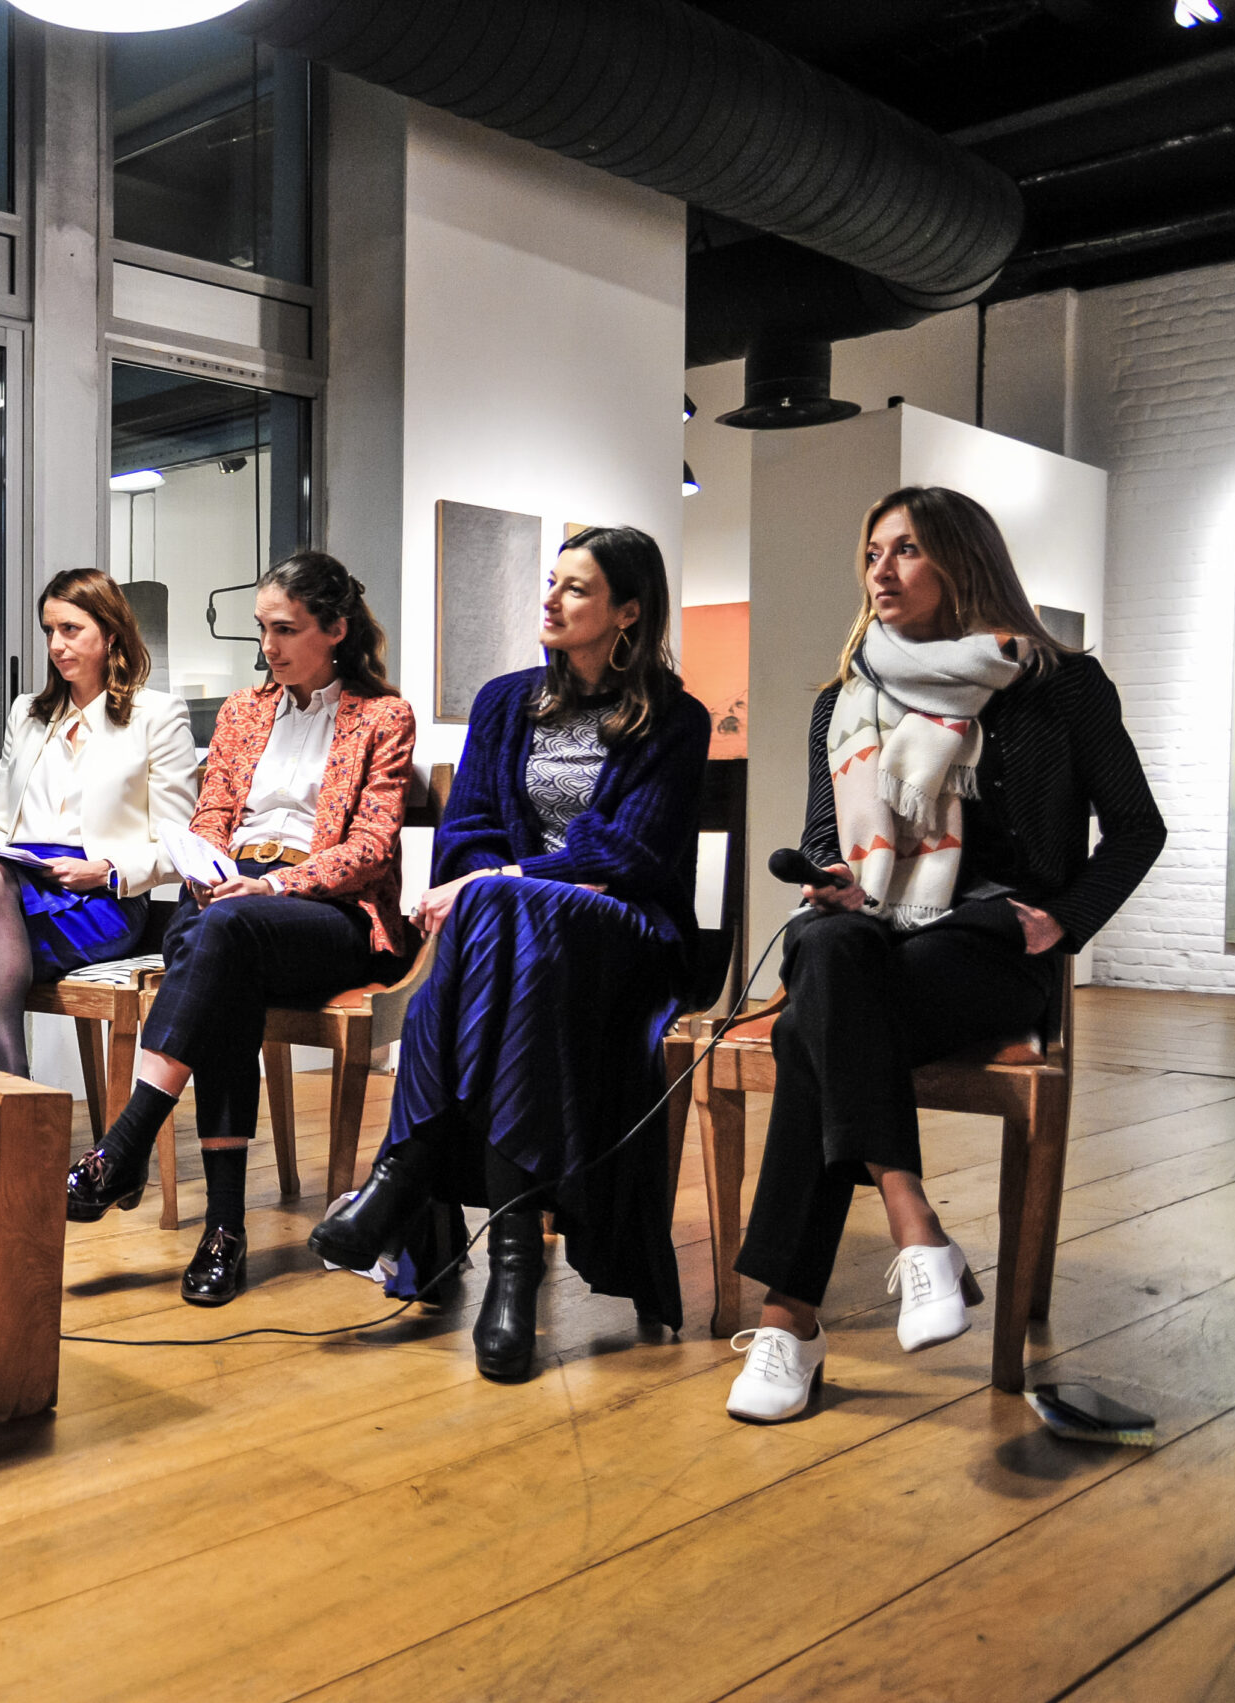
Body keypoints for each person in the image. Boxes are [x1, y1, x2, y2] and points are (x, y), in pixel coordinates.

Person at [723, 487, 1163, 1423]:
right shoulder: (846, 702)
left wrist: (1066, 920)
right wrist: (835, 877)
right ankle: (915, 1224)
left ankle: (789, 1318)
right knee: (831, 949)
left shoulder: (1061, 687)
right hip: (877, 936)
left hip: (993, 941)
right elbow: (824, 838)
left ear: (962, 562)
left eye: (908, 550)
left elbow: (1135, 828)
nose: (880, 570)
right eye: (873, 551)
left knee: (814, 1020)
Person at [308, 526, 710, 1383]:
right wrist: (503, 881)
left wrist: (514, 876)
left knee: (494, 905)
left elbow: (632, 856)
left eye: (576, 589)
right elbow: (466, 834)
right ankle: (515, 1264)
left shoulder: (677, 717)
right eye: (551, 584)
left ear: (628, 612)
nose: (551, 600)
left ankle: (403, 1174)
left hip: (626, 935)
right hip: (519, 938)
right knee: (504, 928)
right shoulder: (504, 700)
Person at [64, 551, 414, 1306]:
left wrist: (275, 881)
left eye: (285, 629)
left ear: (335, 629)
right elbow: (211, 814)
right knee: (222, 946)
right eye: (262, 629)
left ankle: (134, 1151)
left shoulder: (382, 716)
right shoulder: (242, 710)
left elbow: (369, 849)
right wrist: (210, 867)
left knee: (218, 936)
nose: (269, 647)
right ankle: (218, 1230)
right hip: (233, 902)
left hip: (329, 912)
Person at [0, 568, 199, 1079]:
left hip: (103, 895)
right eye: (48, 631)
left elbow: (178, 844)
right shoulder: (28, 714)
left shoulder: (158, 715)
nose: (56, 645)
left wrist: (103, 870)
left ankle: (0, 1092)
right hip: (15, 882)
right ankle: (8, 1089)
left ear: (110, 633)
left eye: (70, 629)